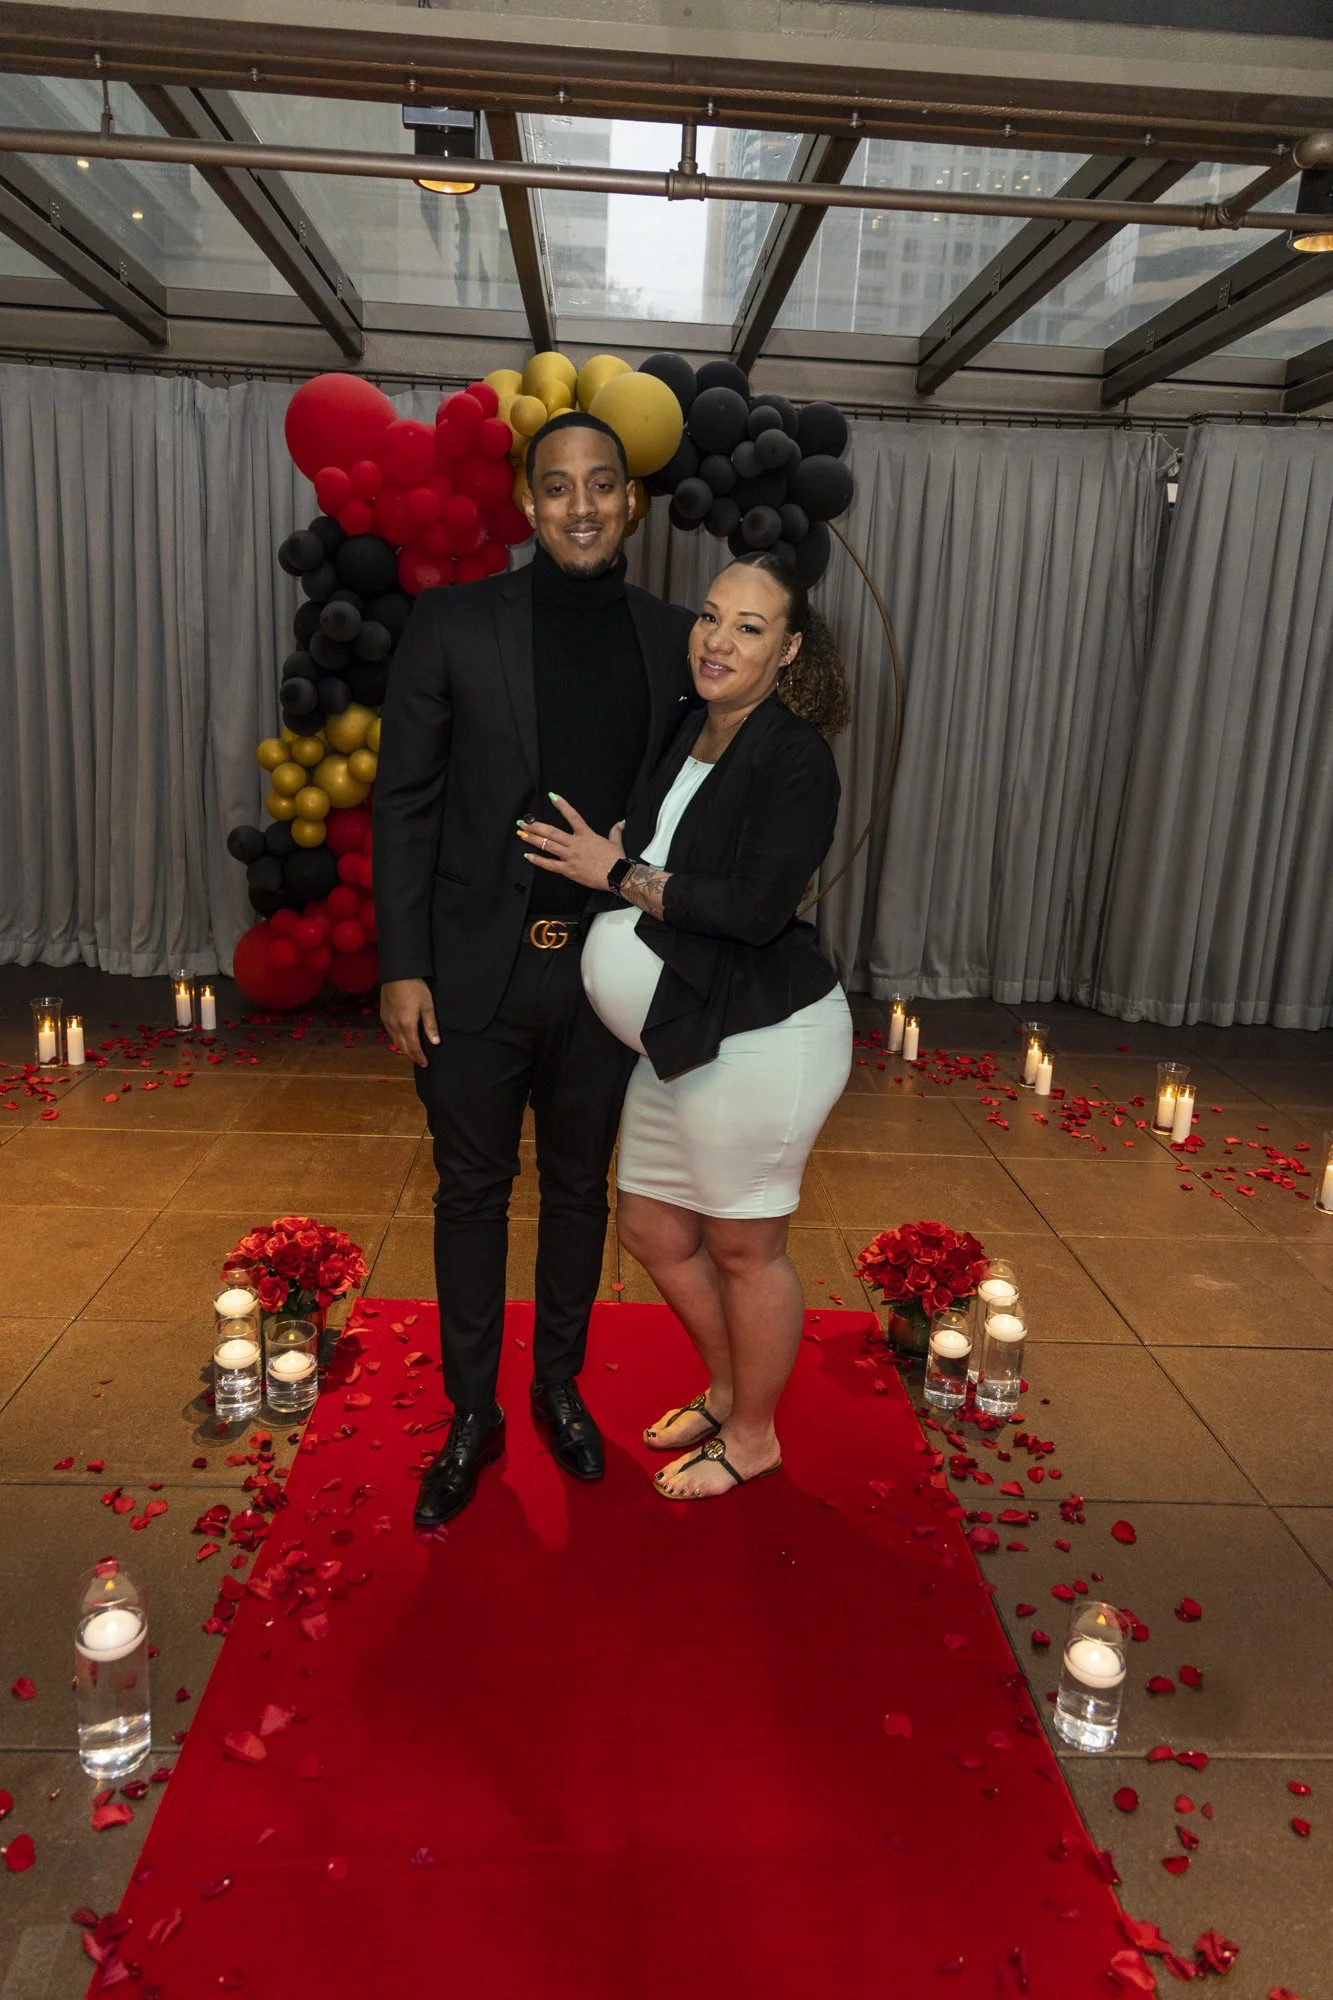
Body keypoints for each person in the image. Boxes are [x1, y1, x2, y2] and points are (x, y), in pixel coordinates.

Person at [373, 411, 696, 1527]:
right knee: (470, 1193)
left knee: (575, 1189)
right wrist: (401, 963)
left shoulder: (672, 642)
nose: (581, 505)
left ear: (632, 500)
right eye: (557, 486)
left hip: (605, 978)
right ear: (526, 502)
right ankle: (474, 1411)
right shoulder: (453, 622)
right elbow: (404, 800)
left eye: (601, 484)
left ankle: (557, 1385)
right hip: (471, 971)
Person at [519, 552, 853, 1500]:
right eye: (711, 617)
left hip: (761, 1037)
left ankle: (754, 1436)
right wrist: (627, 856)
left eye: (749, 627)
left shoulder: (794, 758)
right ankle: (726, 1386)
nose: (718, 639)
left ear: (788, 650)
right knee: (655, 1230)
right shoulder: (688, 727)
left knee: (747, 1247)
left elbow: (752, 908)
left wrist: (613, 875)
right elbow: (666, 848)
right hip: (682, 1035)